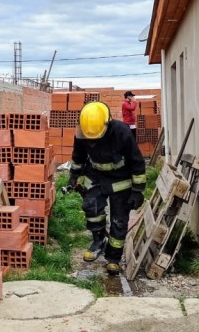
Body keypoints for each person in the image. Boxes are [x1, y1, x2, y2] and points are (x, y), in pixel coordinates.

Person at [68, 101, 146, 275]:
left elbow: (137, 162)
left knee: (119, 219)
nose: (93, 143)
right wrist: (73, 176)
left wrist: (137, 190)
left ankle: (113, 258)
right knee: (91, 207)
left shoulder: (122, 132)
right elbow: (78, 156)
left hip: (121, 179)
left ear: (107, 125)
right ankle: (98, 242)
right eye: (90, 139)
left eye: (97, 138)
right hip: (95, 175)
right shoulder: (83, 131)